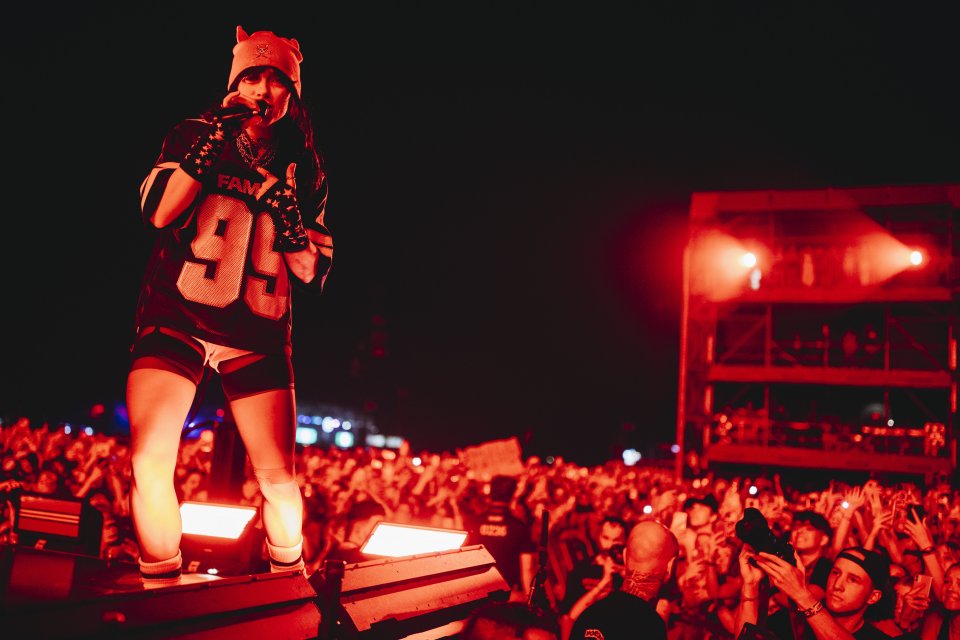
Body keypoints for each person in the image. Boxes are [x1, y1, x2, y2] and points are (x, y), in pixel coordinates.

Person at [128, 25, 333, 586]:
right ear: (234, 82)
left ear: (292, 92)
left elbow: (310, 270)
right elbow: (160, 214)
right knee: (148, 458)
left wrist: (288, 216)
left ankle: (289, 583)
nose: (263, 88)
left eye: (276, 79)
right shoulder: (195, 132)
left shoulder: (305, 166)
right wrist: (209, 141)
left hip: (256, 330)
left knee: (277, 478)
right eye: (252, 75)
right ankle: (161, 588)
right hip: (180, 315)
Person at [737, 545, 896, 639]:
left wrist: (802, 594)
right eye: (835, 573)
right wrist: (750, 586)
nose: (838, 585)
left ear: (873, 596)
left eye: (853, 579)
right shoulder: (791, 621)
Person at [568, 520, 680, 640]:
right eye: (606, 538)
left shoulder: (588, 616)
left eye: (615, 540)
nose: (609, 546)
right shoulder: (651, 625)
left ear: (625, 556)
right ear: (670, 566)